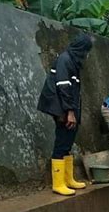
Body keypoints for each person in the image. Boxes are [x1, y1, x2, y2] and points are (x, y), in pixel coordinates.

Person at [37, 33, 93, 196]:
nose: (87, 55)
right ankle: (58, 183)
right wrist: (69, 112)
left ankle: (68, 179)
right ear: (82, 49)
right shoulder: (65, 60)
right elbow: (63, 87)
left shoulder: (73, 62)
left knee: (68, 141)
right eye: (87, 51)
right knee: (62, 142)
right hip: (61, 107)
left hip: (68, 107)